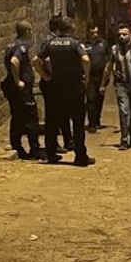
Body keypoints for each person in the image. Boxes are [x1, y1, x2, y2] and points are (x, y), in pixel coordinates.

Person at [34, 17, 94, 166]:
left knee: (52, 121)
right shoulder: (75, 44)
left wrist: (45, 76)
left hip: (55, 87)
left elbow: (36, 60)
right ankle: (80, 156)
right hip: (73, 87)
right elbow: (86, 60)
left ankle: (51, 154)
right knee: (78, 122)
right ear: (71, 28)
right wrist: (86, 76)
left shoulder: (50, 43)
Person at [1, 20, 41, 159]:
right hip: (22, 91)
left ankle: (17, 146)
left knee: (17, 117)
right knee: (31, 118)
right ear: (27, 32)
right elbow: (14, 61)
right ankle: (34, 150)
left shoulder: (10, 45)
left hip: (12, 89)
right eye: (30, 31)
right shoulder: (22, 46)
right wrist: (18, 81)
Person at [83, 24, 108, 132]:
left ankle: (97, 120)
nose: (95, 34)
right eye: (93, 33)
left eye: (97, 32)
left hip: (101, 76)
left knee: (99, 99)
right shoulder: (84, 45)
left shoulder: (103, 44)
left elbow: (108, 59)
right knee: (91, 99)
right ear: (88, 33)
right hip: (90, 76)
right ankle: (92, 124)